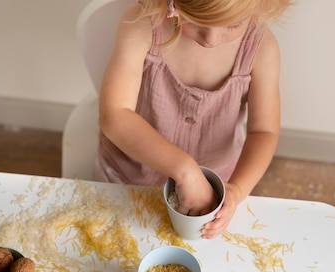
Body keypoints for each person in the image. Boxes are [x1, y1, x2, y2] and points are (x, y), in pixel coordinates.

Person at [95, 0, 291, 238]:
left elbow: (264, 131)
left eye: (234, 24)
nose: (211, 39)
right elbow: (114, 115)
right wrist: (185, 170)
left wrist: (237, 190)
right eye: (195, 19)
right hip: (129, 176)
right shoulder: (144, 24)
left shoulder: (261, 48)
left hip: (216, 185)